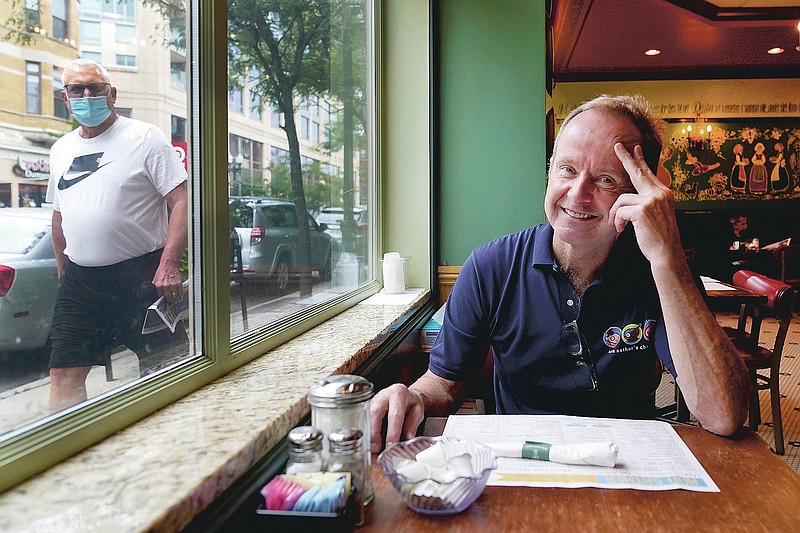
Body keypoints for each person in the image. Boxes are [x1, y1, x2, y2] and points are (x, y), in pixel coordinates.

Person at [370, 95, 749, 452]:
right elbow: (444, 384)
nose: (577, 194)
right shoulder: (490, 266)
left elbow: (723, 415)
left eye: (605, 180)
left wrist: (668, 259)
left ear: (641, 192)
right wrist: (414, 397)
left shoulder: (659, 271)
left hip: (626, 466)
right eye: (567, 169)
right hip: (522, 463)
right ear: (549, 172)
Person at [45, 59, 188, 411]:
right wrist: (64, 271)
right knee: (63, 375)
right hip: (81, 280)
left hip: (140, 274)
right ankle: (66, 452)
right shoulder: (61, 148)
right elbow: (59, 215)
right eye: (77, 89)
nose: (87, 95)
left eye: (95, 87)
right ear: (66, 97)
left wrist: (169, 264)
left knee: (165, 370)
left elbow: (181, 200)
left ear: (112, 94)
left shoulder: (144, 137)